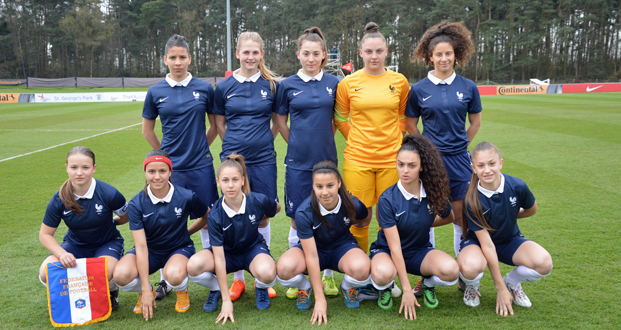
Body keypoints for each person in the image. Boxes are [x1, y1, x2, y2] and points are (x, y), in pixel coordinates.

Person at [142, 34, 219, 300]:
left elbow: (214, 126)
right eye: (172, 57)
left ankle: (216, 281)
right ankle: (167, 280)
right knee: (167, 220)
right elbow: (147, 130)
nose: (178, 62)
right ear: (165, 59)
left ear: (189, 58)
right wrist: (162, 159)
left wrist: (201, 147)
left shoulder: (205, 88)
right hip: (171, 171)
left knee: (209, 219)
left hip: (201, 167)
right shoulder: (155, 91)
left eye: (182, 57)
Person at [407, 21, 481, 294]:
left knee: (460, 217)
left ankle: (465, 276)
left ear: (456, 54)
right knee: (425, 217)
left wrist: (461, 145)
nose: (443, 58)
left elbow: (475, 123)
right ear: (430, 57)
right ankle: (427, 277)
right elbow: (411, 125)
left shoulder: (468, 87)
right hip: (430, 163)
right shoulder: (419, 89)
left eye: (448, 53)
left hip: (460, 161)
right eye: (438, 54)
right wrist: (428, 151)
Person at [334, 22, 410, 260]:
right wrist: (356, 138)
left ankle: (383, 274)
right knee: (359, 216)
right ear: (361, 53)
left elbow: (402, 116)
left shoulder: (400, 81)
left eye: (379, 51)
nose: (374, 56)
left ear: (387, 51)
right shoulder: (348, 83)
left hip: (391, 160)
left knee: (389, 217)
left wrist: (395, 140)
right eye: (369, 51)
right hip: (357, 159)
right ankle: (360, 272)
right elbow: (340, 118)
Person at [275, 26, 340, 300]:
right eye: (306, 53)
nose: (311, 58)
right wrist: (297, 143)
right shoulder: (287, 85)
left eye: (316, 53)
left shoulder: (335, 83)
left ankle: (327, 277)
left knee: (329, 216)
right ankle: (299, 280)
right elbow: (280, 120)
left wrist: (323, 140)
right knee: (296, 217)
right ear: (298, 54)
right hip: (298, 164)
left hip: (327, 163)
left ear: (324, 55)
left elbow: (338, 119)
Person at [213, 31, 279, 300]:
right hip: (233, 159)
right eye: (245, 52)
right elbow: (218, 123)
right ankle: (238, 279)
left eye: (255, 52)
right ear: (237, 54)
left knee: (264, 212)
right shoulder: (224, 87)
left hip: (264, 159)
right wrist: (232, 149)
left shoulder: (272, 85)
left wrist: (263, 143)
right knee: (233, 212)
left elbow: (277, 122)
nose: (250, 57)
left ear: (261, 54)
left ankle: (260, 279)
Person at [457, 142, 552, 316]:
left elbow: (532, 209)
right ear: (473, 168)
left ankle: (513, 282)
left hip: (509, 240)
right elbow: (487, 245)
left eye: (491, 163)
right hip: (479, 244)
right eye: (481, 165)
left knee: (544, 264)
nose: (487, 170)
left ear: (500, 163)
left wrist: (507, 216)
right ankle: (471, 286)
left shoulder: (517, 185)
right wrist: (499, 288)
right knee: (470, 268)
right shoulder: (471, 199)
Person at [369, 135, 458, 319]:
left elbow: (449, 217)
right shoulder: (387, 199)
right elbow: (395, 249)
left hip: (419, 251)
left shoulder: (432, 191)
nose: (405, 171)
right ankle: (386, 286)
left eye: (412, 165)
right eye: (400, 164)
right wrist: (406, 290)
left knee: (451, 271)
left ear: (422, 167)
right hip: (388, 252)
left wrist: (424, 223)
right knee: (382, 275)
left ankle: (427, 284)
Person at [113, 150, 208, 321]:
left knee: (174, 275)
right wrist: (144, 288)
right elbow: (141, 248)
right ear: (145, 173)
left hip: (179, 249)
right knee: (120, 275)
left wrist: (187, 232)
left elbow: (206, 216)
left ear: (170, 172)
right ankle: (149, 291)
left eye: (162, 171)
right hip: (149, 251)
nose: (157, 177)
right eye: (152, 171)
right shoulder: (136, 204)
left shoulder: (186, 196)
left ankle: (181, 290)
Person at [187, 154, 280, 324]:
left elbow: (275, 209)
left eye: (235, 179)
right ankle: (215, 290)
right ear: (218, 182)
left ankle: (261, 287)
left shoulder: (258, 200)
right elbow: (220, 259)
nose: (230, 185)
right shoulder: (215, 214)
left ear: (243, 180)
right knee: (193, 266)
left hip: (252, 250)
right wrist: (226, 300)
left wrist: (259, 214)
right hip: (227, 254)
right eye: (225, 180)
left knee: (268, 273)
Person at [277, 161, 371, 324]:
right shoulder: (303, 212)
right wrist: (320, 299)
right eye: (319, 186)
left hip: (342, 248)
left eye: (330, 185)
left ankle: (348, 287)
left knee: (362, 268)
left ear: (339, 184)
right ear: (313, 187)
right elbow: (311, 256)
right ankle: (305, 288)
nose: (325, 192)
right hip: (314, 250)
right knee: (284, 269)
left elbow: (363, 219)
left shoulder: (353, 204)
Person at [38, 146, 128, 311]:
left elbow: (126, 216)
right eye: (74, 167)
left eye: (85, 167)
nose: (79, 172)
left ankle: (112, 290)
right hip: (75, 245)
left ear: (93, 168)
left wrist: (111, 222)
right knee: (46, 272)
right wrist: (62, 254)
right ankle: (74, 296)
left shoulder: (109, 193)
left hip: (107, 243)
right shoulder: (59, 199)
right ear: (66, 168)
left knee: (105, 272)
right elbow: (45, 234)